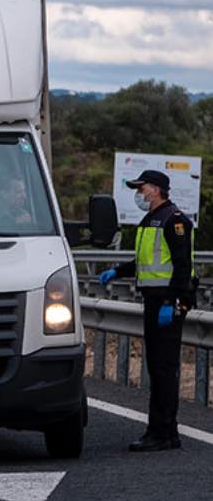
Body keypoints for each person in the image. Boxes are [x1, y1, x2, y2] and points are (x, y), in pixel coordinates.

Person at [99, 169, 197, 452]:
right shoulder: (152, 218)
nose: (138, 194)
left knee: (164, 369)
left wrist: (172, 302)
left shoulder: (174, 220)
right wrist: (118, 271)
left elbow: (181, 266)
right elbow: (144, 262)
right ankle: (166, 431)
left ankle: (162, 434)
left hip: (168, 303)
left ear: (155, 189)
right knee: (157, 368)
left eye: (141, 189)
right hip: (154, 302)